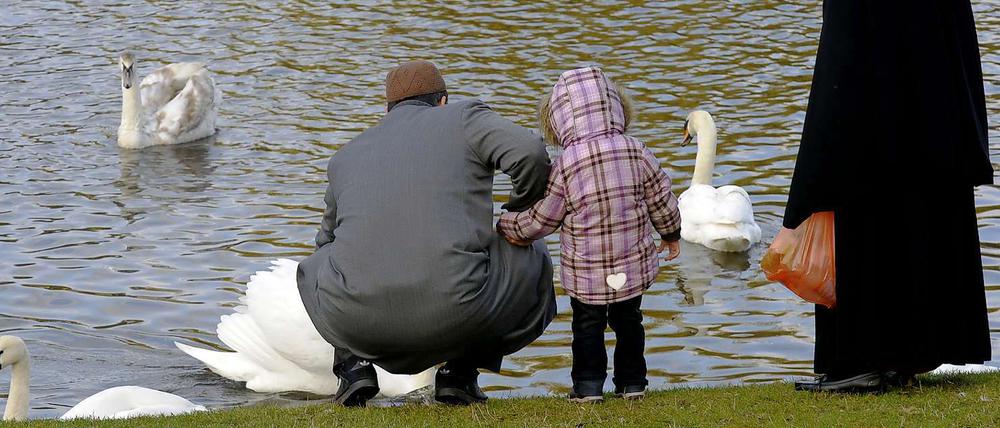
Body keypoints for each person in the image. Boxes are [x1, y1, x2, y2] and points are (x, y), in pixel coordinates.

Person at [296, 60, 557, 406]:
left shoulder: (345, 156)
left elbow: (325, 241)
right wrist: (518, 209)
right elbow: (530, 153)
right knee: (531, 248)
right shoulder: (466, 118)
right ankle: (460, 374)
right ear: (443, 101)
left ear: (387, 110)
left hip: (359, 323)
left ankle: (353, 367)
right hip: (460, 311)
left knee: (314, 265)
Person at [786, 1, 993, 393]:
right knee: (919, 220)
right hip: (934, 131)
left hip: (869, 140)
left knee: (869, 222)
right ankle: (907, 357)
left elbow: (837, 73)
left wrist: (806, 191)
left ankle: (861, 361)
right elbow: (961, 52)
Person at [497, 66, 682, 403]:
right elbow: (661, 197)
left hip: (587, 270)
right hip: (632, 262)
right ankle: (633, 383)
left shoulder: (566, 164)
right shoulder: (636, 149)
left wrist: (508, 226)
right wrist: (671, 233)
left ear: (560, 120)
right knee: (630, 321)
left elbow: (544, 219)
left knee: (586, 326)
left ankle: (587, 386)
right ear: (616, 106)